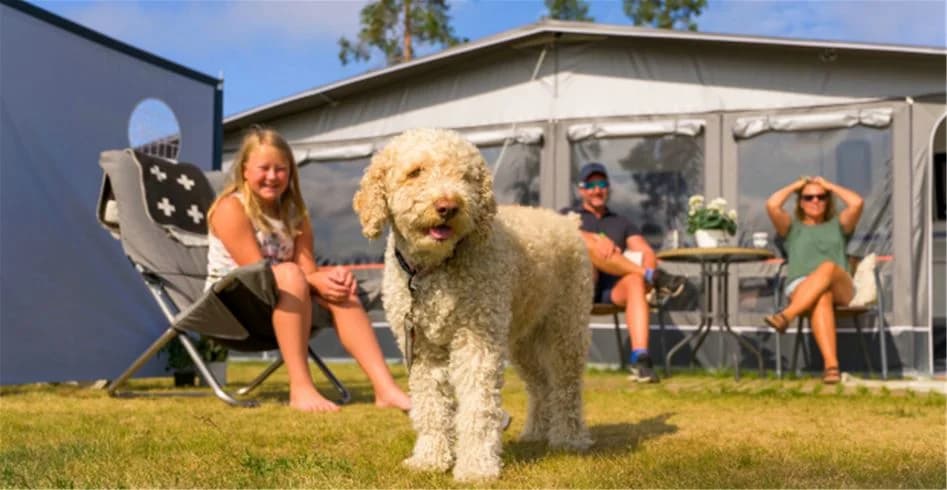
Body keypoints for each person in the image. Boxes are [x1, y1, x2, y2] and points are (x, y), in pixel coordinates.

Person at [206, 127, 411, 412]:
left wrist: (329, 279)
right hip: (235, 307)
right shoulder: (231, 208)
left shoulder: (295, 215)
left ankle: (385, 388)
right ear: (244, 170)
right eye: (264, 168)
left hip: (284, 299)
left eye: (281, 169)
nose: (272, 176)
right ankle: (300, 388)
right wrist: (312, 280)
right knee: (290, 274)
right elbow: (256, 271)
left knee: (341, 289)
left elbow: (308, 269)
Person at [562, 162, 687, 383]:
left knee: (635, 282)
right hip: (577, 286)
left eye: (601, 184)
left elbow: (646, 251)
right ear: (581, 190)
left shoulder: (621, 222)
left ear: (608, 188)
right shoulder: (569, 214)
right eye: (590, 185)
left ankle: (641, 359)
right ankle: (657, 278)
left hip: (611, 290)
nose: (597, 189)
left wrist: (648, 271)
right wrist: (598, 240)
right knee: (584, 242)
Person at [764, 176, 864, 384]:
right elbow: (772, 205)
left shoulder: (838, 225)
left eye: (821, 196)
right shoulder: (793, 229)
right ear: (800, 202)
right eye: (809, 197)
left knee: (827, 267)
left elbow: (857, 203)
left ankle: (786, 315)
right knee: (822, 296)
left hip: (840, 285)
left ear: (828, 200)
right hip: (802, 287)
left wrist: (829, 185)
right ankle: (831, 367)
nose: (815, 201)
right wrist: (795, 186)